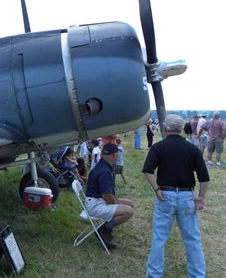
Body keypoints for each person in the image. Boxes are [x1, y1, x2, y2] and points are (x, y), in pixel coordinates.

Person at [142, 114, 209, 278]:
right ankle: (197, 275)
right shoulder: (192, 149)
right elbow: (204, 177)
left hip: (165, 195)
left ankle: (154, 274)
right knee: (192, 240)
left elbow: (147, 170)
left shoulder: (158, 147)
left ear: (165, 128)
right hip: (187, 196)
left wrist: (157, 190)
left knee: (159, 238)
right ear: (181, 129)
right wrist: (201, 197)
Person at [85, 143, 134, 249]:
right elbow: (106, 195)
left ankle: (107, 227)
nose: (118, 156)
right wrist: (117, 205)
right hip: (95, 205)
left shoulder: (103, 166)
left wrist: (117, 203)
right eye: (117, 153)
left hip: (97, 200)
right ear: (113, 155)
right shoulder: (104, 171)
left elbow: (107, 195)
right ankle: (103, 229)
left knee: (130, 203)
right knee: (128, 211)